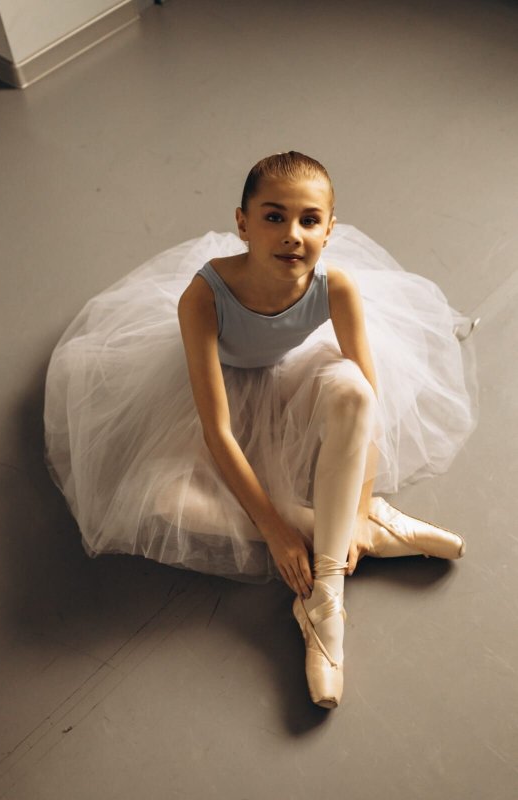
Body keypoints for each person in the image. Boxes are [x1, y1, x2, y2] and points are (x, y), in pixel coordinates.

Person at [44, 152, 478, 709]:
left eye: (309, 220)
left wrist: (360, 500)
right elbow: (217, 431)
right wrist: (274, 529)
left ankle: (324, 602)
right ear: (243, 223)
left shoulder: (335, 287)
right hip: (221, 389)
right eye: (274, 217)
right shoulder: (203, 296)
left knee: (352, 392)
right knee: (163, 501)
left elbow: (371, 404)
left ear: (329, 230)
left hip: (294, 374)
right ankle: (366, 530)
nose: (292, 234)